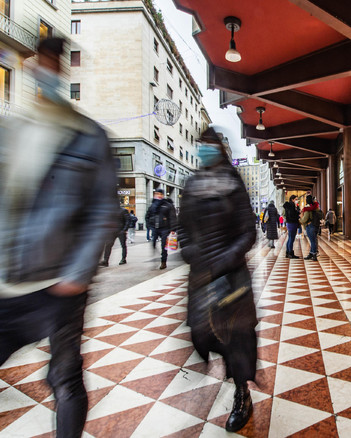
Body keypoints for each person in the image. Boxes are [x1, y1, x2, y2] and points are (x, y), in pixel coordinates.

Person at [0, 37, 117, 438]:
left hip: (60, 284)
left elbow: (104, 210)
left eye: (51, 62)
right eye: (38, 62)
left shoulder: (89, 136)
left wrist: (79, 273)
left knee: (64, 377)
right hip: (7, 279)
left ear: (62, 68)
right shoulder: (12, 129)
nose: (42, 71)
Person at [177, 127, 257, 433]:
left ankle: (242, 394)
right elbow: (182, 226)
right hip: (200, 277)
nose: (204, 150)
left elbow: (248, 232)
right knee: (202, 335)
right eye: (201, 145)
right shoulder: (192, 183)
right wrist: (189, 250)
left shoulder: (232, 183)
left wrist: (223, 262)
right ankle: (234, 366)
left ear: (219, 149)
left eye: (209, 145)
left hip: (231, 277)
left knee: (237, 336)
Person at [146, 188, 177, 269]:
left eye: (160, 194)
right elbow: (147, 215)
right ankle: (156, 254)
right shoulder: (153, 205)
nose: (158, 195)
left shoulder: (167, 205)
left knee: (164, 246)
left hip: (165, 228)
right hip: (155, 228)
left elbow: (172, 217)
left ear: (163, 195)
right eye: (157, 194)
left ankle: (163, 262)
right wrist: (149, 225)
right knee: (153, 243)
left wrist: (173, 229)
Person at [300, 194, 320, 261]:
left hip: (311, 226)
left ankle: (314, 254)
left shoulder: (308, 208)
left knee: (312, 241)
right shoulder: (315, 207)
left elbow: (305, 219)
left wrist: (300, 220)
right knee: (314, 240)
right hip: (316, 225)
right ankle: (311, 253)